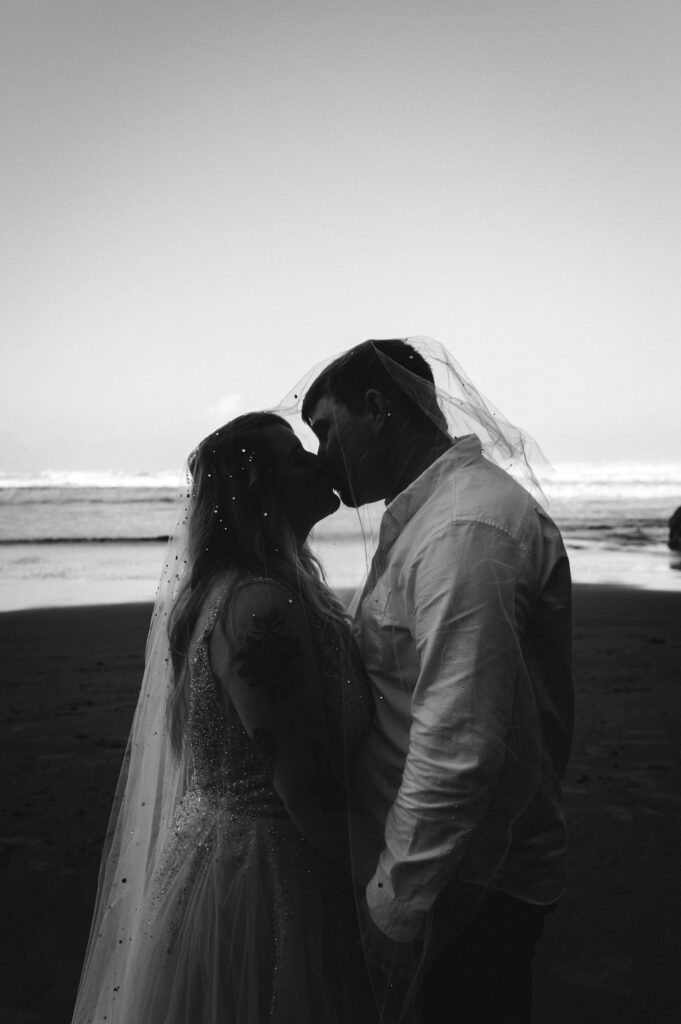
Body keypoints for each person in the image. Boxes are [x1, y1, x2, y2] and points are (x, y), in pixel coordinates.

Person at [71, 412, 380, 1024]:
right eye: (298, 457)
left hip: (224, 855)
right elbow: (303, 790)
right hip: (267, 880)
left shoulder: (241, 590)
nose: (319, 463)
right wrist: (396, 883)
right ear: (261, 493)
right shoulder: (262, 605)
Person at [301, 338, 575, 1023]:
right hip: (444, 869)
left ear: (377, 408)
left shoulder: (465, 529)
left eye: (326, 428)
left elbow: (459, 740)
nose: (320, 456)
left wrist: (398, 906)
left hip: (467, 884)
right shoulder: (431, 516)